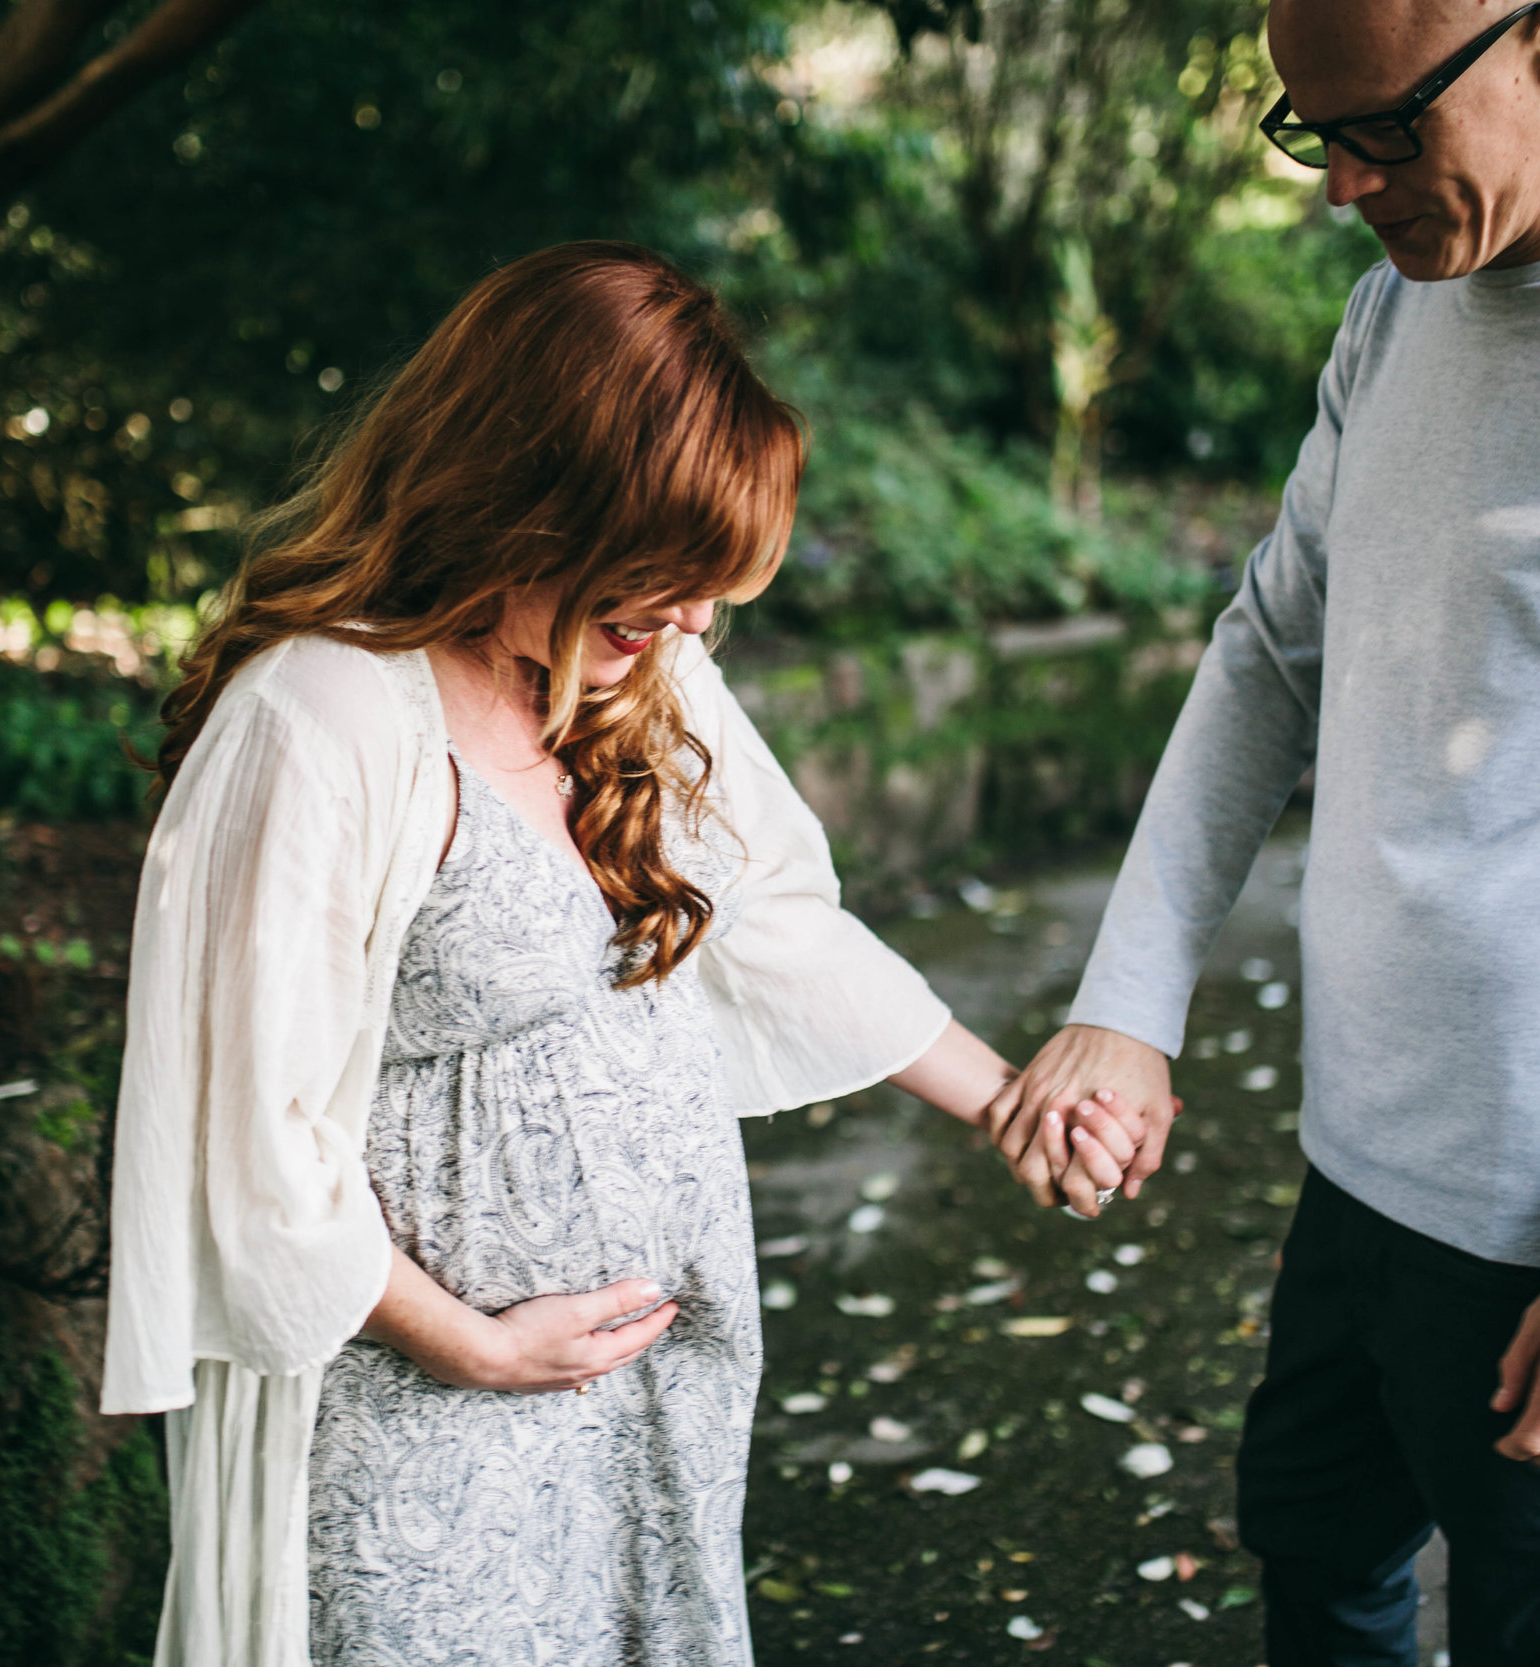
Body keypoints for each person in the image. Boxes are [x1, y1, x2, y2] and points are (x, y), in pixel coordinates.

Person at [984, 2, 1540, 1662]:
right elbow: (1269, 648)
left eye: (1386, 127)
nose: (1343, 185)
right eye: (1312, 132)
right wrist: (1128, 1000)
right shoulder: (1397, 311)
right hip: (1355, 1164)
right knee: (1320, 1572)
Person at [98, 242, 1138, 1667]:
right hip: (421, 1414)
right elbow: (246, 1127)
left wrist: (1006, 1097)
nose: (697, 628)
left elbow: (769, 923)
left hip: (649, 1401)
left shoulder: (631, 665)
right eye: (654, 588)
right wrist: (470, 1342)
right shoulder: (321, 715)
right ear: (518, 511)